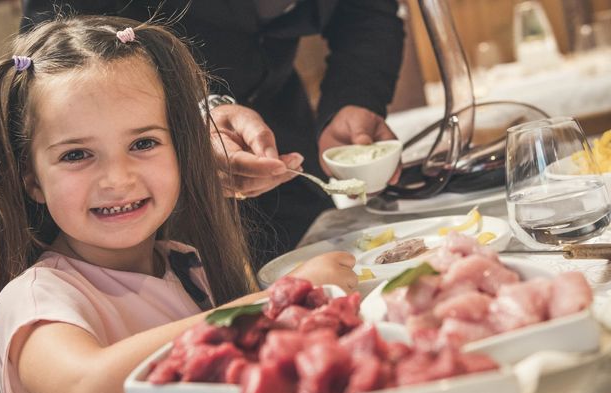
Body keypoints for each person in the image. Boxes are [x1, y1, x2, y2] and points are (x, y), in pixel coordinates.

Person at [0, 16, 358, 393]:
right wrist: (278, 300)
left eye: (143, 144)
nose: (117, 179)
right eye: (77, 154)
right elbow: (85, 385)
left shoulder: (186, 266)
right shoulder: (37, 298)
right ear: (33, 180)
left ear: (183, 148)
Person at [21, 0, 405, 268]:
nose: (116, 177)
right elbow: (65, 45)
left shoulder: (187, 274)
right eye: (74, 155)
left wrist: (355, 100)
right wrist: (194, 112)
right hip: (151, 171)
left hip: (280, 127)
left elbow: (364, 11)